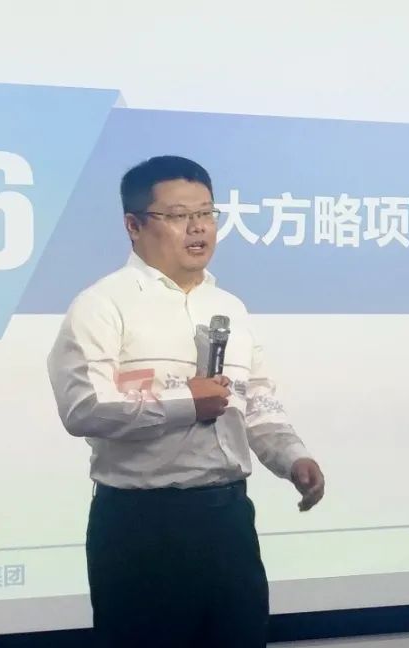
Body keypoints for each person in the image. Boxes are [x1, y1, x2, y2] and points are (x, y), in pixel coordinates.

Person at [47, 155, 325, 647]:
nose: (198, 228)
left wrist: (292, 458)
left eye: (206, 213)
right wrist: (185, 402)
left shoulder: (229, 307)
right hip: (142, 527)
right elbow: (83, 407)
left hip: (228, 522)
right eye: (178, 216)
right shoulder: (102, 305)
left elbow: (256, 400)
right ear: (133, 226)